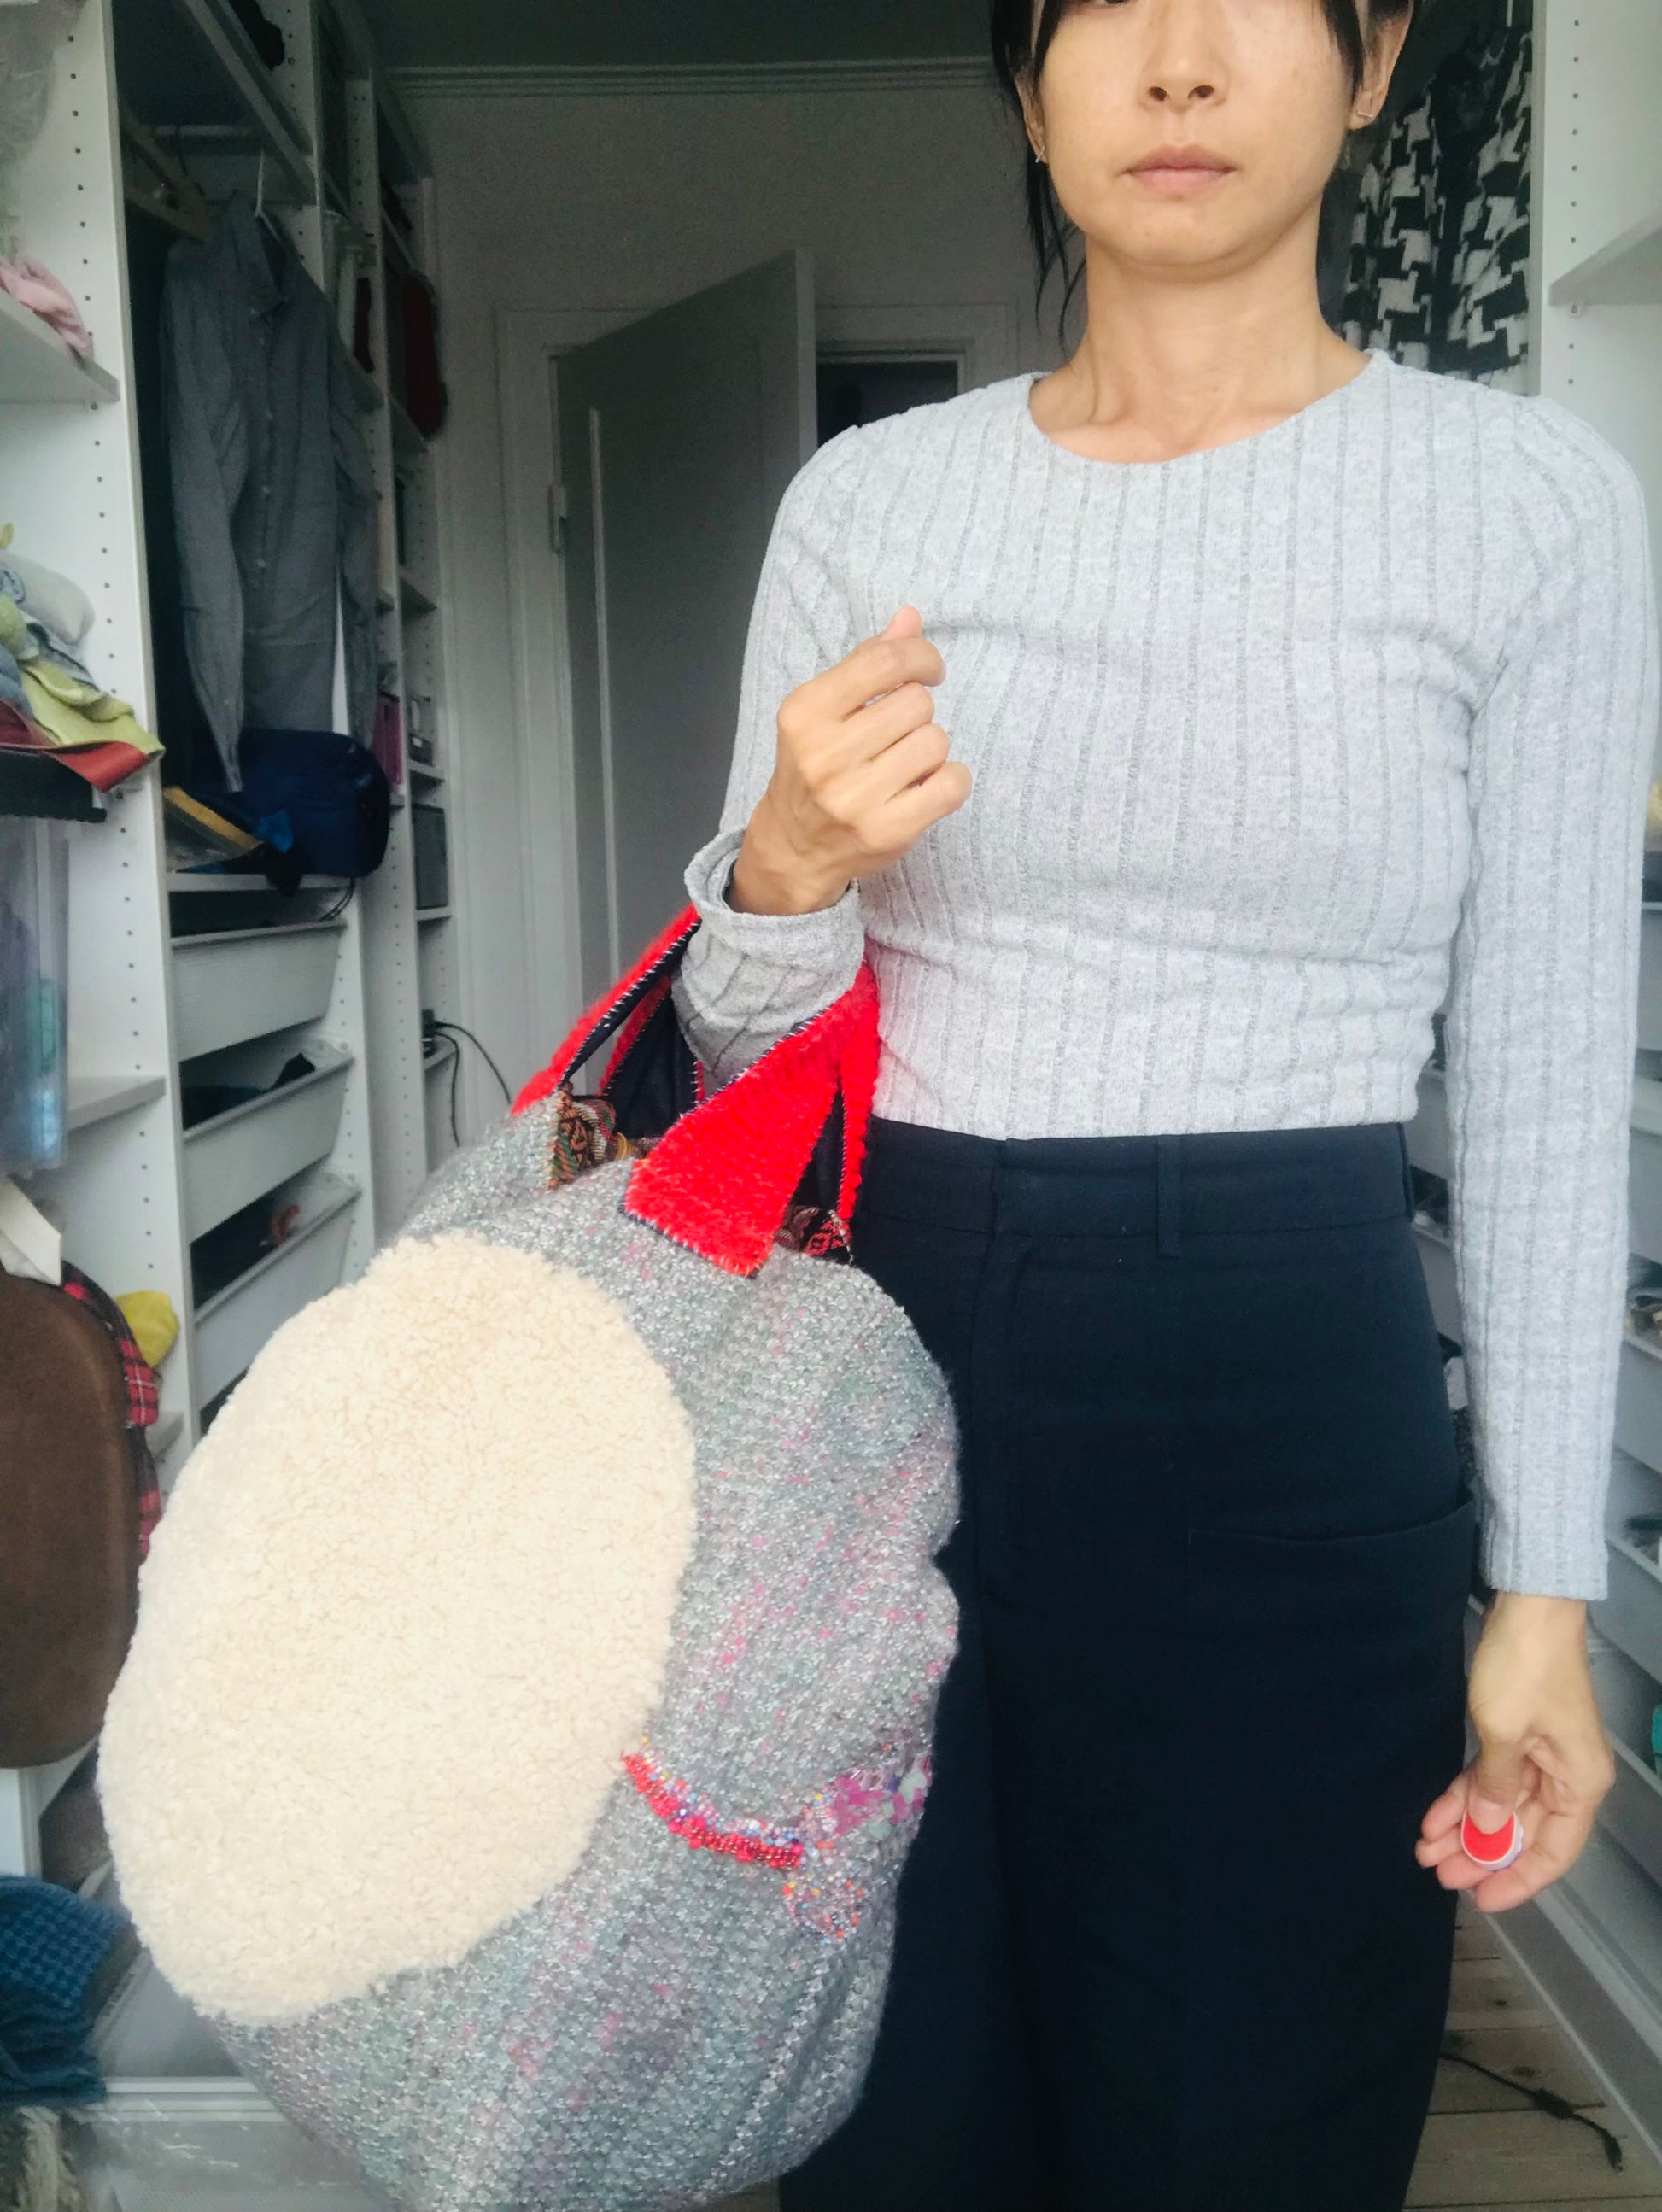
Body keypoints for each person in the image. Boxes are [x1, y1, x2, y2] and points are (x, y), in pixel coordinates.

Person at [670, 2, 1662, 2205]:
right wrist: (782, 871)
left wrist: (1543, 1592)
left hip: (1291, 1371)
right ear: (1029, 79)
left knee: (1251, 2115)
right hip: (885, 1373)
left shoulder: (1531, 510)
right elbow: (748, 1069)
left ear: (1375, 60)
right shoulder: (872, 504)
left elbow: (1541, 1080)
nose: (1183, 65)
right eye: (1112, 3)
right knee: (888, 2110)